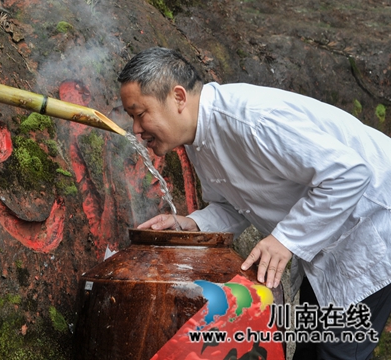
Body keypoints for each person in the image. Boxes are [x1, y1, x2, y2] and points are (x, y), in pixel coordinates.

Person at [118, 47, 391, 359]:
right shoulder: (198, 136)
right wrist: (192, 224)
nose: (137, 131)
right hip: (328, 243)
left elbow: (349, 174)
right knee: (312, 350)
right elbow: (233, 205)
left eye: (141, 115)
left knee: (337, 353)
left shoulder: (253, 120)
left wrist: (284, 240)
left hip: (374, 222)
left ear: (178, 97)